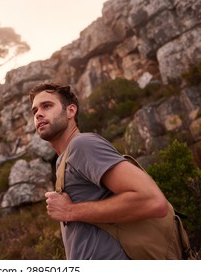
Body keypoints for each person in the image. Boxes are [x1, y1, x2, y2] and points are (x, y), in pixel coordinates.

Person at [29, 82, 169, 259]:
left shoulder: (83, 145)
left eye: (47, 106)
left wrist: (70, 211)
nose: (39, 114)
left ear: (71, 111)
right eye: (34, 111)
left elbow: (152, 200)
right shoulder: (64, 160)